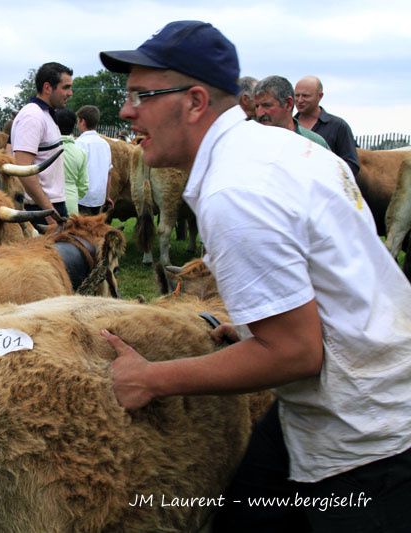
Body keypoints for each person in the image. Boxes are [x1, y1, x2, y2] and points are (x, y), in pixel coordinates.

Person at [98, 20, 411, 533]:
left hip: (368, 438)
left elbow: (295, 352)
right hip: (359, 393)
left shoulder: (235, 190)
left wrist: (151, 378)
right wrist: (251, 327)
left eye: (142, 95)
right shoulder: (288, 150)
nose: (126, 110)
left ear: (195, 102)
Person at [10, 61, 74, 225]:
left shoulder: (46, 115)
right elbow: (23, 169)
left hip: (48, 205)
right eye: (65, 87)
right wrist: (48, 212)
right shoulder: (33, 117)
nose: (70, 93)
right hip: (41, 209)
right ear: (47, 87)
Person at [294, 75, 360, 177]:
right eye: (297, 95)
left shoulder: (338, 126)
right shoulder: (287, 126)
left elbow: (352, 166)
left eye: (305, 96)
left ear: (320, 96)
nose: (300, 100)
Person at [254, 76, 329, 148]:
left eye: (267, 105)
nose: (259, 113)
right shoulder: (249, 142)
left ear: (288, 104)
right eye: (257, 106)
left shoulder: (315, 144)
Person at [75, 105, 113, 215]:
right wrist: (107, 196)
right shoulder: (105, 144)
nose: (77, 124)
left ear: (82, 121)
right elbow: (109, 173)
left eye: (78, 121)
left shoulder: (79, 143)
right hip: (99, 198)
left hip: (82, 198)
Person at [54, 108, 88, 216]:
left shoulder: (46, 149)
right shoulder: (81, 153)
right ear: (74, 126)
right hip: (71, 203)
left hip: (49, 202)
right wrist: (73, 194)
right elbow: (83, 185)